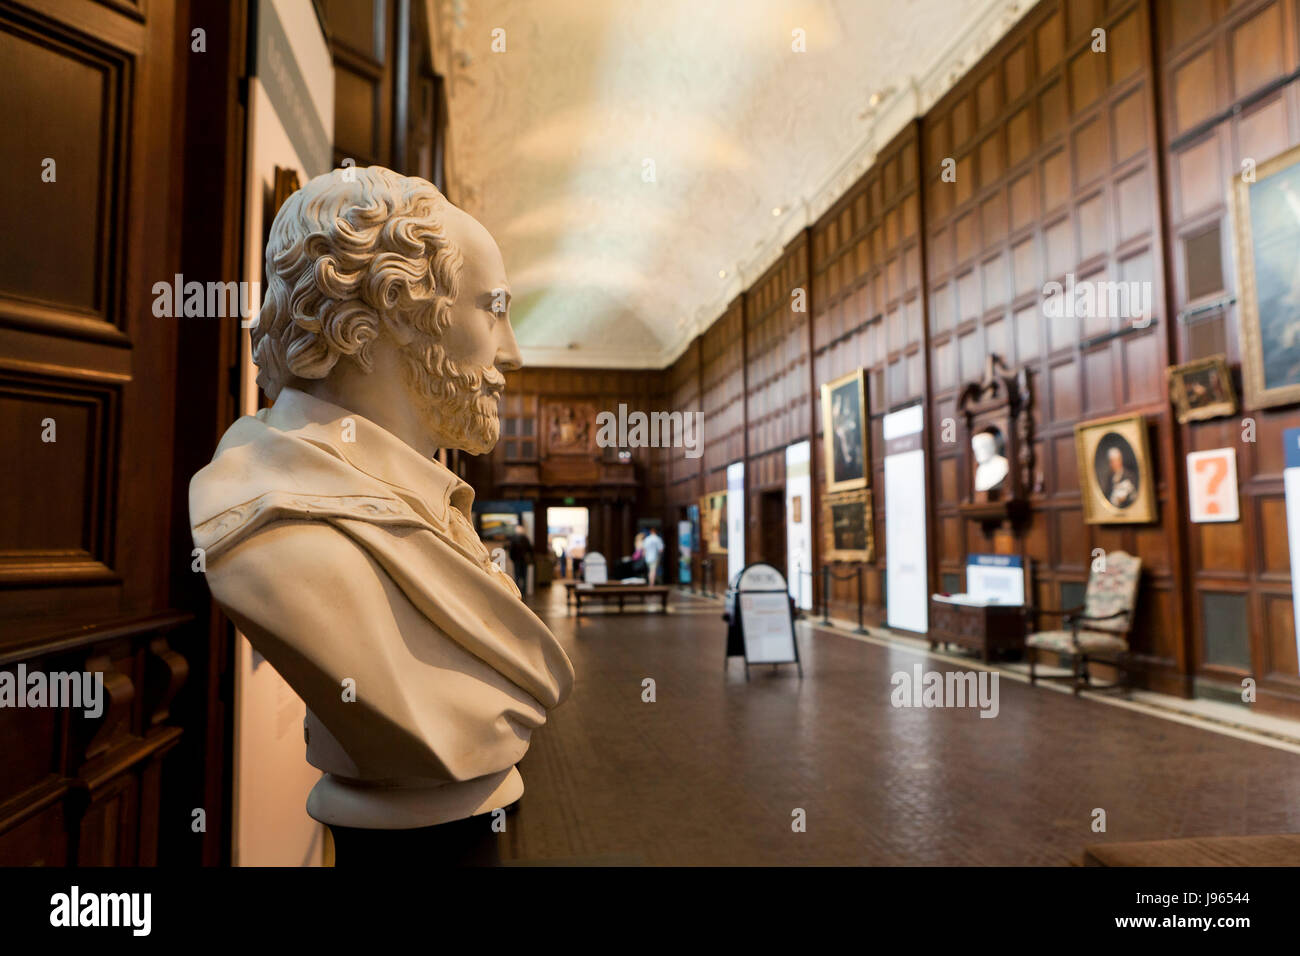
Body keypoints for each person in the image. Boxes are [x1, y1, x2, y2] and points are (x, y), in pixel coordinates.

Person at [508, 524, 532, 594]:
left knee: (517, 576)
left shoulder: (513, 539)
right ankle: (524, 592)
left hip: (516, 561)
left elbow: (511, 550)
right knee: (524, 577)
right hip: (524, 561)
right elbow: (530, 550)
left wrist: (512, 558)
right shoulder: (526, 538)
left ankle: (517, 592)